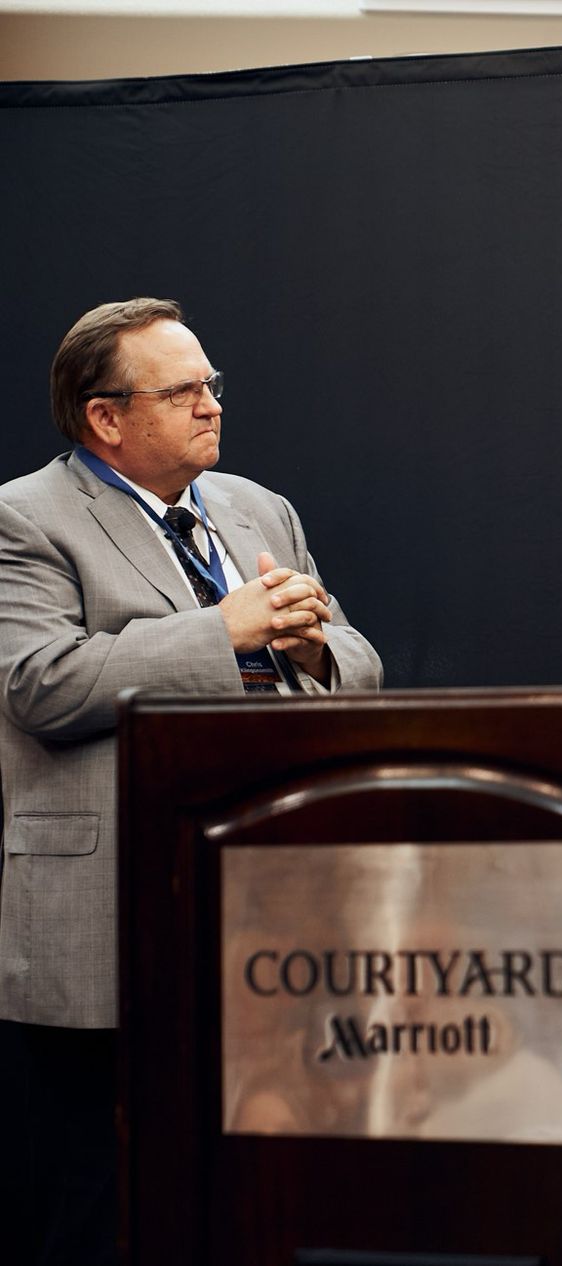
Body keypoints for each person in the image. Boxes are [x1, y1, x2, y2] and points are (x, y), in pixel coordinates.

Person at [0, 297, 383, 1265]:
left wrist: (313, 647)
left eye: (212, 384)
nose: (212, 405)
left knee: (251, 1195)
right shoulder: (25, 520)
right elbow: (40, 685)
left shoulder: (259, 510)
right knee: (101, 1208)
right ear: (107, 420)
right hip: (111, 918)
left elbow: (355, 663)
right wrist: (227, 630)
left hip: (267, 910)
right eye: (183, 392)